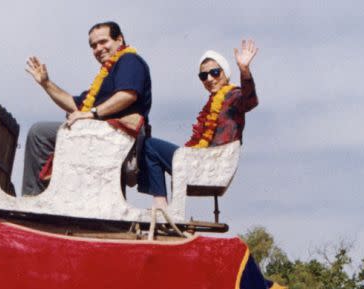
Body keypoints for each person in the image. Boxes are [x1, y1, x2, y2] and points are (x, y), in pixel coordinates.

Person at [23, 21, 151, 195]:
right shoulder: (107, 73)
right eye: (93, 46)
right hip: (103, 136)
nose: (98, 49)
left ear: (119, 39)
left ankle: (33, 196)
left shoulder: (129, 60)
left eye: (103, 42)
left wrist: (92, 113)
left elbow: (127, 95)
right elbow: (75, 105)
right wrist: (46, 84)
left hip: (117, 138)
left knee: (40, 133)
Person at [140, 39, 260, 208]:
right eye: (203, 76)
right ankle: (161, 203)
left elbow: (250, 101)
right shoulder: (211, 104)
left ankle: (160, 204)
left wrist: (245, 71)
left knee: (149, 146)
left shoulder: (233, 96)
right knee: (145, 146)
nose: (209, 79)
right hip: (201, 159)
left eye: (215, 72)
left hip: (212, 163)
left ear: (226, 73)